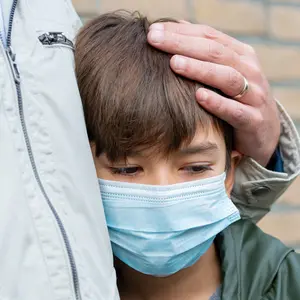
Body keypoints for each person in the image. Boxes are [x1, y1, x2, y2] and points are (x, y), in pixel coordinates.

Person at [0, 0, 299, 299]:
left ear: (230, 171)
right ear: (84, 166)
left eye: (195, 167)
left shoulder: (286, 283)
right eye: (127, 169)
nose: (162, 193)